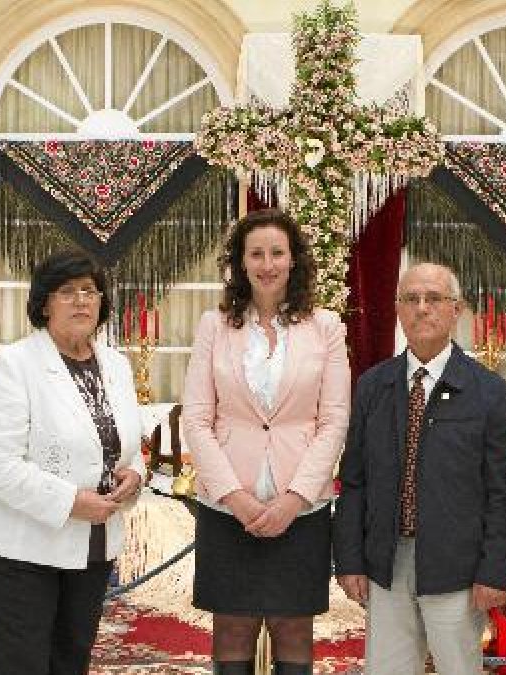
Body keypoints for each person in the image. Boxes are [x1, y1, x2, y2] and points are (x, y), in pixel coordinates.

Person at [0, 251, 145, 675]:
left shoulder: (116, 365)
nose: (81, 301)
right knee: (23, 664)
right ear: (44, 304)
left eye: (89, 291)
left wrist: (135, 475)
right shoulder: (14, 365)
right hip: (15, 547)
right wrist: (71, 502)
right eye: (66, 291)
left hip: (91, 545)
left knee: (71, 659)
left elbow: (128, 444)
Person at [182, 208, 351, 675]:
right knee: (232, 628)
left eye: (277, 252)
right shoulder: (213, 326)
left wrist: (294, 500)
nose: (267, 264)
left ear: (294, 259)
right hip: (226, 509)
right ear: (240, 261)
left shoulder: (326, 327)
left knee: (293, 628)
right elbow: (196, 419)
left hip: (302, 510)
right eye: (255, 253)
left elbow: (334, 421)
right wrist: (235, 498)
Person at [333, 262, 506, 675]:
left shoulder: (489, 393)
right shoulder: (373, 386)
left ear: (457, 310)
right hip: (387, 562)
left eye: (434, 298)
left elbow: (502, 494)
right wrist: (349, 559)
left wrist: (495, 570)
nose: (422, 308)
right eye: (411, 299)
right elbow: (354, 480)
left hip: (457, 568)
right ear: (398, 309)